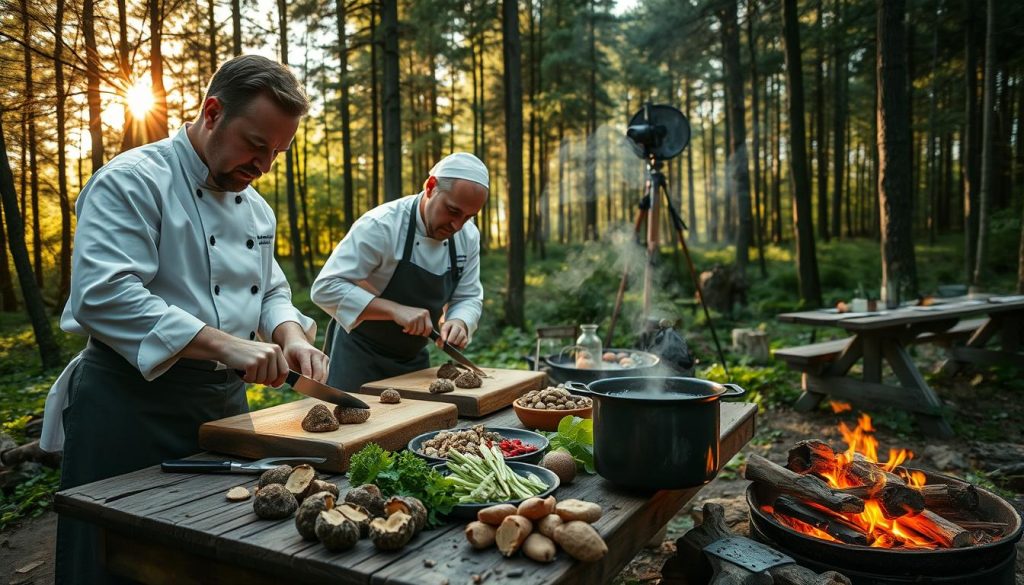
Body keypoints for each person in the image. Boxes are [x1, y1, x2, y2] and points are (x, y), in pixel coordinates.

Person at [41, 54, 329, 584]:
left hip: (222, 409)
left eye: (277, 153)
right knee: (117, 558)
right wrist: (225, 345)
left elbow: (270, 290)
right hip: (130, 405)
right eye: (255, 144)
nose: (263, 165)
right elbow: (102, 294)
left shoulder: (257, 209)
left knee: (215, 549)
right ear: (213, 111)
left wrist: (288, 333)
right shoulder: (131, 181)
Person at [311, 153, 487, 389]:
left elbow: (469, 296)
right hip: (359, 359)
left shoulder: (468, 235)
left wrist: (460, 320)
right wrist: (394, 310)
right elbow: (325, 288)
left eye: (468, 217)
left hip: (413, 363)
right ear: (431, 186)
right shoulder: (381, 225)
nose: (457, 225)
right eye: (453, 211)